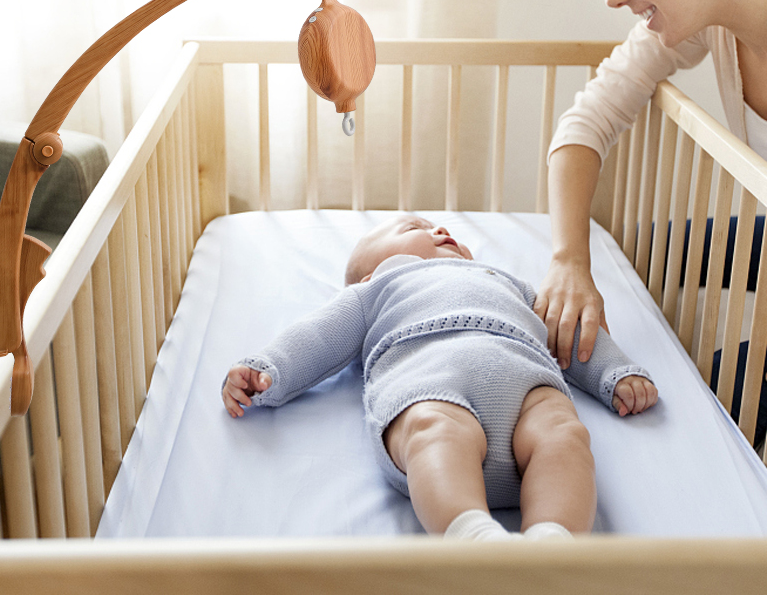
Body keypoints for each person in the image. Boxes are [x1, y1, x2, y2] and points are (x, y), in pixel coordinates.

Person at [222, 215, 658, 541]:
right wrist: (267, 370)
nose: (439, 230)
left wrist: (614, 372)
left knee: (564, 435)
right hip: (430, 382)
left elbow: (566, 329)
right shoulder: (376, 290)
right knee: (433, 429)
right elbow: (319, 336)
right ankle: (471, 538)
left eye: (439, 227)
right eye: (416, 226)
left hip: (528, 384)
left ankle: (551, 543)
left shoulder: (510, 283)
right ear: (374, 270)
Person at [537, 0, 767, 370]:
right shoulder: (707, 19)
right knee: (650, 257)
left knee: (727, 386)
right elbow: (589, 118)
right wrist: (569, 259)